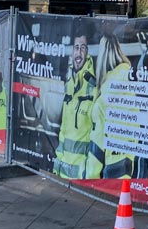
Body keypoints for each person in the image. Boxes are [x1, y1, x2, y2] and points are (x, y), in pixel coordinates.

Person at [86, 33, 134, 178]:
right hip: (130, 156)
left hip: (112, 159)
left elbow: (98, 137)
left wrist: (91, 175)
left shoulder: (106, 88)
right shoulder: (129, 75)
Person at [53, 29, 97, 179]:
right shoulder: (69, 84)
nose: (79, 53)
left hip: (83, 176)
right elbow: (63, 132)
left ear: (88, 51)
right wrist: (57, 165)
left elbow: (97, 134)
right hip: (64, 173)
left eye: (83, 48)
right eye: (76, 48)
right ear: (72, 51)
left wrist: (88, 173)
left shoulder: (94, 86)